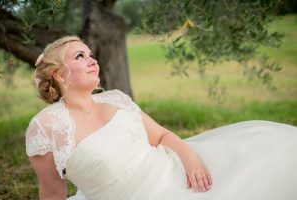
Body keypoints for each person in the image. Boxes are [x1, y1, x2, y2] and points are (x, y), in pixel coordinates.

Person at [25, 36, 297, 200]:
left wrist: (190, 158)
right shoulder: (44, 127)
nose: (92, 60)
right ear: (60, 75)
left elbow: (161, 136)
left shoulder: (116, 98)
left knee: (270, 149)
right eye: (80, 56)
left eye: (91, 54)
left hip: (174, 169)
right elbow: (51, 192)